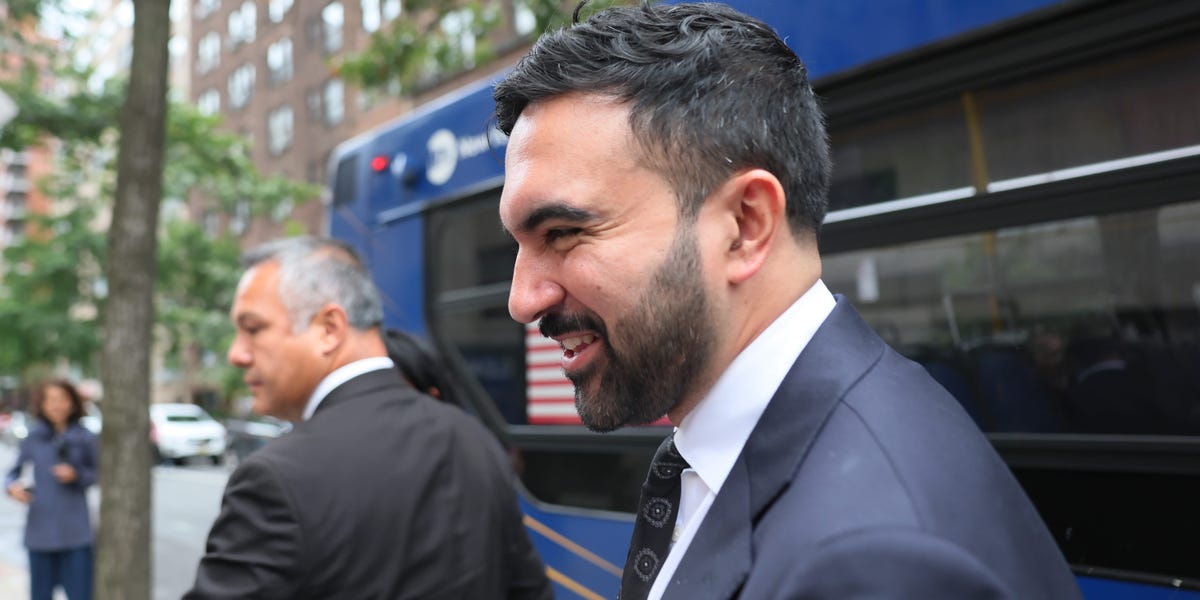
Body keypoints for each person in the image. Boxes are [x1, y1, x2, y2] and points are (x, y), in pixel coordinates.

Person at [493, 3, 1081, 599]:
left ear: (746, 225)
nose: (522, 300)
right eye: (519, 244)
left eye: (562, 233)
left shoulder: (874, 565)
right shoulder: (851, 427)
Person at [185, 236, 551, 600]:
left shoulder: (274, 479)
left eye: (253, 329)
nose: (236, 354)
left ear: (329, 328)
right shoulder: (473, 437)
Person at [4, 379, 98, 600]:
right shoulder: (33, 437)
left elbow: (98, 474)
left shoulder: (85, 437)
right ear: (42, 404)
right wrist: (11, 488)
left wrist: (77, 475)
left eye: (62, 399)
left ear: (72, 403)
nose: (57, 405)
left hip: (76, 534)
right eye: (51, 400)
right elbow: (13, 473)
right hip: (40, 533)